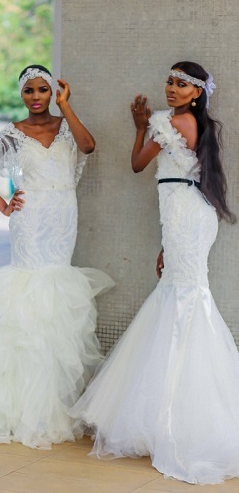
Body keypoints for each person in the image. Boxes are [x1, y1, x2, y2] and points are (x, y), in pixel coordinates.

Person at [71, 61, 239, 485]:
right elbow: (180, 181)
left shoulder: (172, 122)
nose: (171, 88)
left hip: (185, 217)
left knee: (186, 299)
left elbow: (137, 163)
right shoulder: (190, 124)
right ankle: (172, 408)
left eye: (182, 84)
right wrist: (168, 243)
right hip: (185, 217)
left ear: (196, 94)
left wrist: (140, 128)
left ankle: (183, 416)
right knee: (180, 295)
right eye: (169, 81)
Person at [0, 64, 114, 449]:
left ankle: (54, 401)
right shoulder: (12, 134)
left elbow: (89, 146)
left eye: (42, 89)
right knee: (30, 294)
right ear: (22, 95)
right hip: (29, 219)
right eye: (29, 90)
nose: (35, 96)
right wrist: (3, 204)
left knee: (56, 293)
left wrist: (66, 106)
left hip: (62, 216)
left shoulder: (66, 127)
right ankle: (23, 406)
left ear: (53, 92)